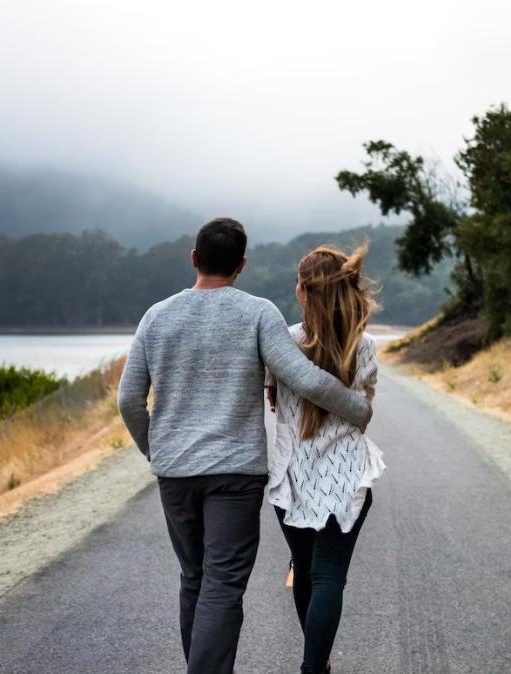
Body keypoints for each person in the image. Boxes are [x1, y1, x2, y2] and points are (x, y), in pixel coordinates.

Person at [117, 218, 372, 674]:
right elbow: (304, 378)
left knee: (193, 579)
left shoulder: (156, 316)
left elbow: (128, 399)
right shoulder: (257, 312)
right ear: (242, 265)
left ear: (194, 259)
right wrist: (357, 409)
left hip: (175, 474)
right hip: (235, 475)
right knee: (222, 584)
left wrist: (154, 450)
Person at [265, 244, 385, 674]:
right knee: (330, 574)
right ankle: (314, 666)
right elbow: (364, 408)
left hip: (292, 477)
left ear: (302, 291)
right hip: (347, 475)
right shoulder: (365, 344)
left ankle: (318, 662)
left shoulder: (284, 344)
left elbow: (274, 399)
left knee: (304, 568)